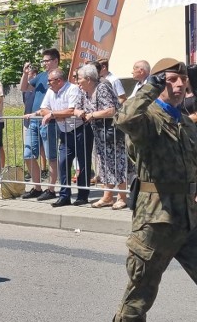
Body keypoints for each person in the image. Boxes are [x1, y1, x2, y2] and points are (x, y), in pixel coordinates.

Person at [111, 58, 197, 322]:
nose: (178, 86)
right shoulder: (148, 119)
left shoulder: (186, 124)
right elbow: (123, 117)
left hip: (187, 218)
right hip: (155, 221)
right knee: (142, 289)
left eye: (182, 80)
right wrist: (151, 84)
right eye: (172, 80)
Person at [32, 68, 92, 207]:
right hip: (64, 132)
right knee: (63, 163)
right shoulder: (50, 91)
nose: (48, 84)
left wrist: (53, 115)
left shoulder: (73, 89)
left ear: (59, 81)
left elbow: (71, 110)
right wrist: (56, 113)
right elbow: (43, 109)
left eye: (50, 81)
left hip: (80, 130)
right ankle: (65, 196)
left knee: (83, 165)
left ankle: (83, 196)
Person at [74, 64, 127, 209]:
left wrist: (92, 115)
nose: (77, 81)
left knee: (118, 164)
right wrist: (78, 112)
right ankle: (107, 197)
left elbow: (111, 110)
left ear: (89, 79)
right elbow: (77, 107)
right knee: (104, 165)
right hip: (99, 134)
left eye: (79, 78)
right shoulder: (84, 91)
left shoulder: (102, 88)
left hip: (112, 133)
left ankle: (122, 197)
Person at [19, 49, 60, 201]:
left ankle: (51, 189)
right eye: (43, 61)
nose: (44, 63)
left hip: (49, 121)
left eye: (47, 60)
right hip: (34, 121)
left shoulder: (59, 77)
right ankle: (37, 187)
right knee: (28, 155)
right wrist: (25, 73)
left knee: (51, 156)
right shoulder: (42, 76)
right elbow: (24, 88)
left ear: (55, 61)